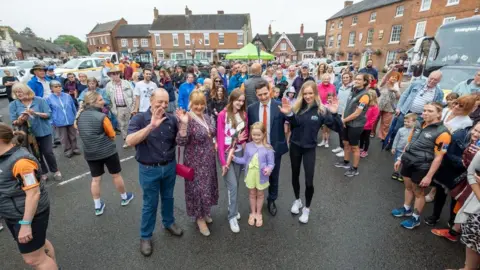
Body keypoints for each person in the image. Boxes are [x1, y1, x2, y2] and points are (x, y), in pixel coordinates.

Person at [126, 89, 184, 256]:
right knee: (149, 204)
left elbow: (179, 141)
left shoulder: (171, 118)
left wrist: (184, 124)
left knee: (168, 198)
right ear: (151, 99)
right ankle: (145, 236)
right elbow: (130, 141)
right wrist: (151, 126)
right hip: (149, 170)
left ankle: (169, 222)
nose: (163, 105)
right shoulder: (139, 119)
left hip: (169, 167)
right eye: (159, 101)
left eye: (166, 102)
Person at [279, 80, 338, 223]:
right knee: (294, 175)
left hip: (309, 148)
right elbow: (295, 124)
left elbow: (335, 127)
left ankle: (307, 208)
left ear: (315, 93)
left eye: (310, 93)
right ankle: (297, 200)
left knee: (309, 181)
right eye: (305, 93)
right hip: (295, 146)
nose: (307, 96)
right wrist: (290, 115)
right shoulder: (297, 107)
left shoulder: (321, 110)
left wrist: (334, 113)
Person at [0, 123, 58, 269]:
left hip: (27, 216)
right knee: (40, 244)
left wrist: (25, 225)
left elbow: (33, 194)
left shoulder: (21, 162)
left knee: (34, 259)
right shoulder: (4, 157)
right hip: (13, 213)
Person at [391, 102, 451, 229]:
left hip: (422, 166)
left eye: (430, 111)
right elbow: (409, 142)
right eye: (424, 110)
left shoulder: (443, 133)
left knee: (418, 192)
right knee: (408, 187)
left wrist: (429, 176)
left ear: (439, 114)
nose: (425, 113)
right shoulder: (418, 123)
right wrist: (400, 158)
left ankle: (415, 217)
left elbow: (439, 157)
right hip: (408, 160)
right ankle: (406, 208)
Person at [77, 91, 134, 216]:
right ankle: (124, 197)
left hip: (90, 152)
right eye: (100, 99)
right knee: (116, 175)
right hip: (107, 151)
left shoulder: (79, 116)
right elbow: (112, 134)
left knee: (95, 180)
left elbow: (79, 130)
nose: (103, 101)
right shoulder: (102, 117)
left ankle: (98, 206)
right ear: (93, 102)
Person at [175, 91, 218, 237]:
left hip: (209, 159)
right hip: (195, 161)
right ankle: (199, 218)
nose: (199, 106)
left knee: (207, 188)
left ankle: (205, 212)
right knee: (198, 190)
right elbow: (180, 141)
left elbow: (212, 133)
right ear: (191, 104)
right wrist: (184, 124)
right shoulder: (187, 119)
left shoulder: (207, 117)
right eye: (196, 104)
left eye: (202, 104)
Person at [247, 81, 289, 216]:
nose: (263, 97)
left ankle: (271, 200)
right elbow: (249, 128)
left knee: (274, 176)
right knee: (257, 175)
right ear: (256, 95)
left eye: (265, 93)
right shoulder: (251, 108)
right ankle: (258, 198)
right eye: (260, 95)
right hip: (257, 150)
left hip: (274, 148)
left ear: (270, 91)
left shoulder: (279, 106)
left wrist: (289, 114)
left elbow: (292, 123)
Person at [9, 83, 62, 182]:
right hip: (29, 134)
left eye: (20, 91)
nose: (18, 94)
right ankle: (43, 172)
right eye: (16, 92)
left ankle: (55, 170)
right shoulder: (13, 104)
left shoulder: (39, 100)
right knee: (36, 154)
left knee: (48, 152)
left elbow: (48, 115)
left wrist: (35, 113)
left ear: (26, 90)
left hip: (44, 131)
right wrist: (21, 119)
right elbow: (14, 121)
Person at [231, 122, 275, 227]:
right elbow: (245, 160)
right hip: (251, 174)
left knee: (260, 194)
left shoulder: (268, 147)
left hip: (262, 176)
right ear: (251, 134)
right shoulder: (249, 146)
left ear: (264, 134)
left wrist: (269, 169)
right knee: (251, 194)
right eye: (254, 134)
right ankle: (252, 212)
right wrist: (235, 158)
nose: (256, 137)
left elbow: (271, 163)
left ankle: (259, 213)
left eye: (258, 135)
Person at [217, 89, 249, 233]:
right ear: (232, 99)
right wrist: (223, 162)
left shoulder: (244, 114)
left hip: (238, 153)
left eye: (243, 101)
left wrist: (244, 150)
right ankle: (232, 216)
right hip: (226, 154)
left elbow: (245, 135)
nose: (240, 103)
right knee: (233, 186)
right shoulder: (223, 115)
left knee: (236, 183)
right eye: (238, 100)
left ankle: (234, 209)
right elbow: (220, 138)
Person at [386, 71, 444, 150]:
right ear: (428, 77)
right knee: (397, 129)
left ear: (439, 81)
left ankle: (405, 149)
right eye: (431, 78)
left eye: (435, 80)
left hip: (420, 116)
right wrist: (399, 107)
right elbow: (404, 95)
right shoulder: (416, 83)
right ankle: (392, 144)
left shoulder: (439, 93)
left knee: (413, 133)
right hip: (405, 111)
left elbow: (437, 107)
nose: (432, 81)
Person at [334, 74, 371, 177]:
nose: (357, 80)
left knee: (355, 147)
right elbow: (347, 106)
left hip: (356, 125)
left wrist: (344, 120)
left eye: (360, 79)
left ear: (365, 82)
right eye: (356, 79)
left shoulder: (365, 95)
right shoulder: (353, 90)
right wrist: (343, 118)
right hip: (346, 122)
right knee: (345, 143)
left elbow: (357, 113)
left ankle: (355, 169)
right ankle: (346, 162)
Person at [45, 80, 79, 158]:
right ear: (51, 88)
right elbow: (48, 111)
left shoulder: (67, 96)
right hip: (59, 121)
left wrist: (76, 118)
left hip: (70, 119)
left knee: (73, 135)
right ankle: (68, 150)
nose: (58, 88)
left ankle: (75, 149)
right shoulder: (49, 98)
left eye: (59, 86)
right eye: (55, 86)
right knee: (63, 138)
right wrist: (52, 121)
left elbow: (73, 107)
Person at [105, 67, 135, 148]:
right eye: (113, 74)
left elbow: (134, 95)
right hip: (118, 109)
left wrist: (133, 108)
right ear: (110, 76)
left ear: (120, 74)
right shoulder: (108, 85)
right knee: (122, 126)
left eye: (117, 73)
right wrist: (112, 109)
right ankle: (126, 140)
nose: (115, 75)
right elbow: (108, 99)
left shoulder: (127, 83)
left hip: (128, 107)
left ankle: (132, 139)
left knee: (130, 124)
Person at [375, 70, 401, 141]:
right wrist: (390, 70)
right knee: (374, 120)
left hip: (389, 108)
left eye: (396, 78)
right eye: (392, 77)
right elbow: (384, 78)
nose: (394, 78)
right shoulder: (384, 84)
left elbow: (398, 97)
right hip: (379, 106)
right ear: (389, 77)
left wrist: (395, 91)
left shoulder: (396, 87)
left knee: (386, 124)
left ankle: (383, 136)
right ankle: (372, 132)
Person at [332, 72, 353, 158]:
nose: (345, 79)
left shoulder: (352, 88)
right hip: (339, 112)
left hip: (346, 113)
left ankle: (345, 150)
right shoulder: (340, 87)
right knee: (340, 131)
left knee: (345, 132)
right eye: (344, 78)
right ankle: (341, 147)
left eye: (347, 77)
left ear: (350, 78)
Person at [391, 113, 417, 182]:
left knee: (404, 163)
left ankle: (402, 174)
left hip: (408, 151)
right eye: (405, 121)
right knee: (397, 161)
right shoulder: (401, 130)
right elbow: (396, 139)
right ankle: (396, 172)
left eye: (408, 122)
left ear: (414, 122)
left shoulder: (415, 131)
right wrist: (394, 147)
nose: (406, 123)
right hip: (399, 149)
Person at [317, 74, 336, 148]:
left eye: (327, 79)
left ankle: (327, 141)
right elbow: (317, 97)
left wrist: (332, 104)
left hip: (329, 107)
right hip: (321, 108)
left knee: (328, 125)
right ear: (322, 79)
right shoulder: (318, 86)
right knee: (322, 125)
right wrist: (320, 105)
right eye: (324, 79)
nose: (326, 80)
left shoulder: (332, 86)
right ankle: (322, 140)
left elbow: (334, 96)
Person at [359, 90, 379, 158]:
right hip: (362, 125)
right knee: (361, 137)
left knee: (366, 138)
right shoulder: (365, 104)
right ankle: (360, 148)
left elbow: (374, 118)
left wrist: (367, 124)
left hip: (368, 127)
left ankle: (365, 151)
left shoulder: (375, 107)